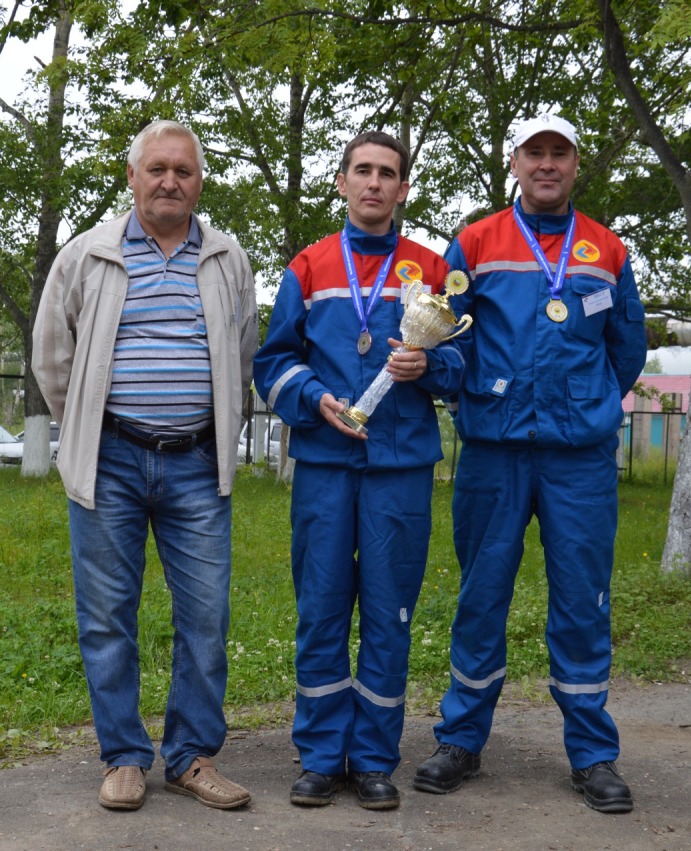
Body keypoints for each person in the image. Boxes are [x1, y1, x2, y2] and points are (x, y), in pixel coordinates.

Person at [412, 112, 647, 814]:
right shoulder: (476, 242)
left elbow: (626, 348)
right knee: (481, 595)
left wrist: (587, 400)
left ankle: (593, 754)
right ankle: (461, 739)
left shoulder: (607, 249)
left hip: (580, 459)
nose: (547, 164)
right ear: (514, 161)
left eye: (560, 153)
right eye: (534, 152)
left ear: (577, 164)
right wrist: (447, 377)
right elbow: (447, 332)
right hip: (494, 451)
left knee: (583, 601)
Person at [31, 119, 258, 812]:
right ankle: (124, 756)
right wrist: (89, 430)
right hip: (111, 461)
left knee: (206, 615)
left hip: (196, 463)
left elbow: (242, 351)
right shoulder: (88, 255)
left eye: (182, 171)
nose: (169, 180)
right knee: (107, 615)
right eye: (156, 168)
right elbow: (51, 352)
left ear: (199, 182)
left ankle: (191, 756)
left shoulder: (226, 258)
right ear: (131, 177)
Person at [253, 131, 465, 811]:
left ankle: (373, 757)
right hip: (324, 465)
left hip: (399, 468)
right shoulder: (308, 267)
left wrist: (428, 365)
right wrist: (312, 396)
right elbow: (273, 361)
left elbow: (467, 367)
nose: (375, 183)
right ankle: (319, 754)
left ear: (404, 190)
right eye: (363, 171)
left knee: (389, 613)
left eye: (389, 174)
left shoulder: (432, 269)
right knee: (319, 608)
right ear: (341, 182)